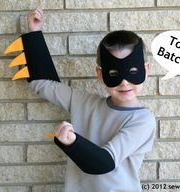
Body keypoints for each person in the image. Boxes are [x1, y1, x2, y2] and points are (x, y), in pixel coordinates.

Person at [26, 8, 156, 192]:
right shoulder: (84, 103)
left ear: (146, 70)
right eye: (113, 73)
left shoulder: (142, 121)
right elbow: (42, 83)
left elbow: (103, 163)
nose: (124, 81)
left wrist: (71, 143)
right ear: (100, 74)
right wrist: (34, 35)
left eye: (133, 72)